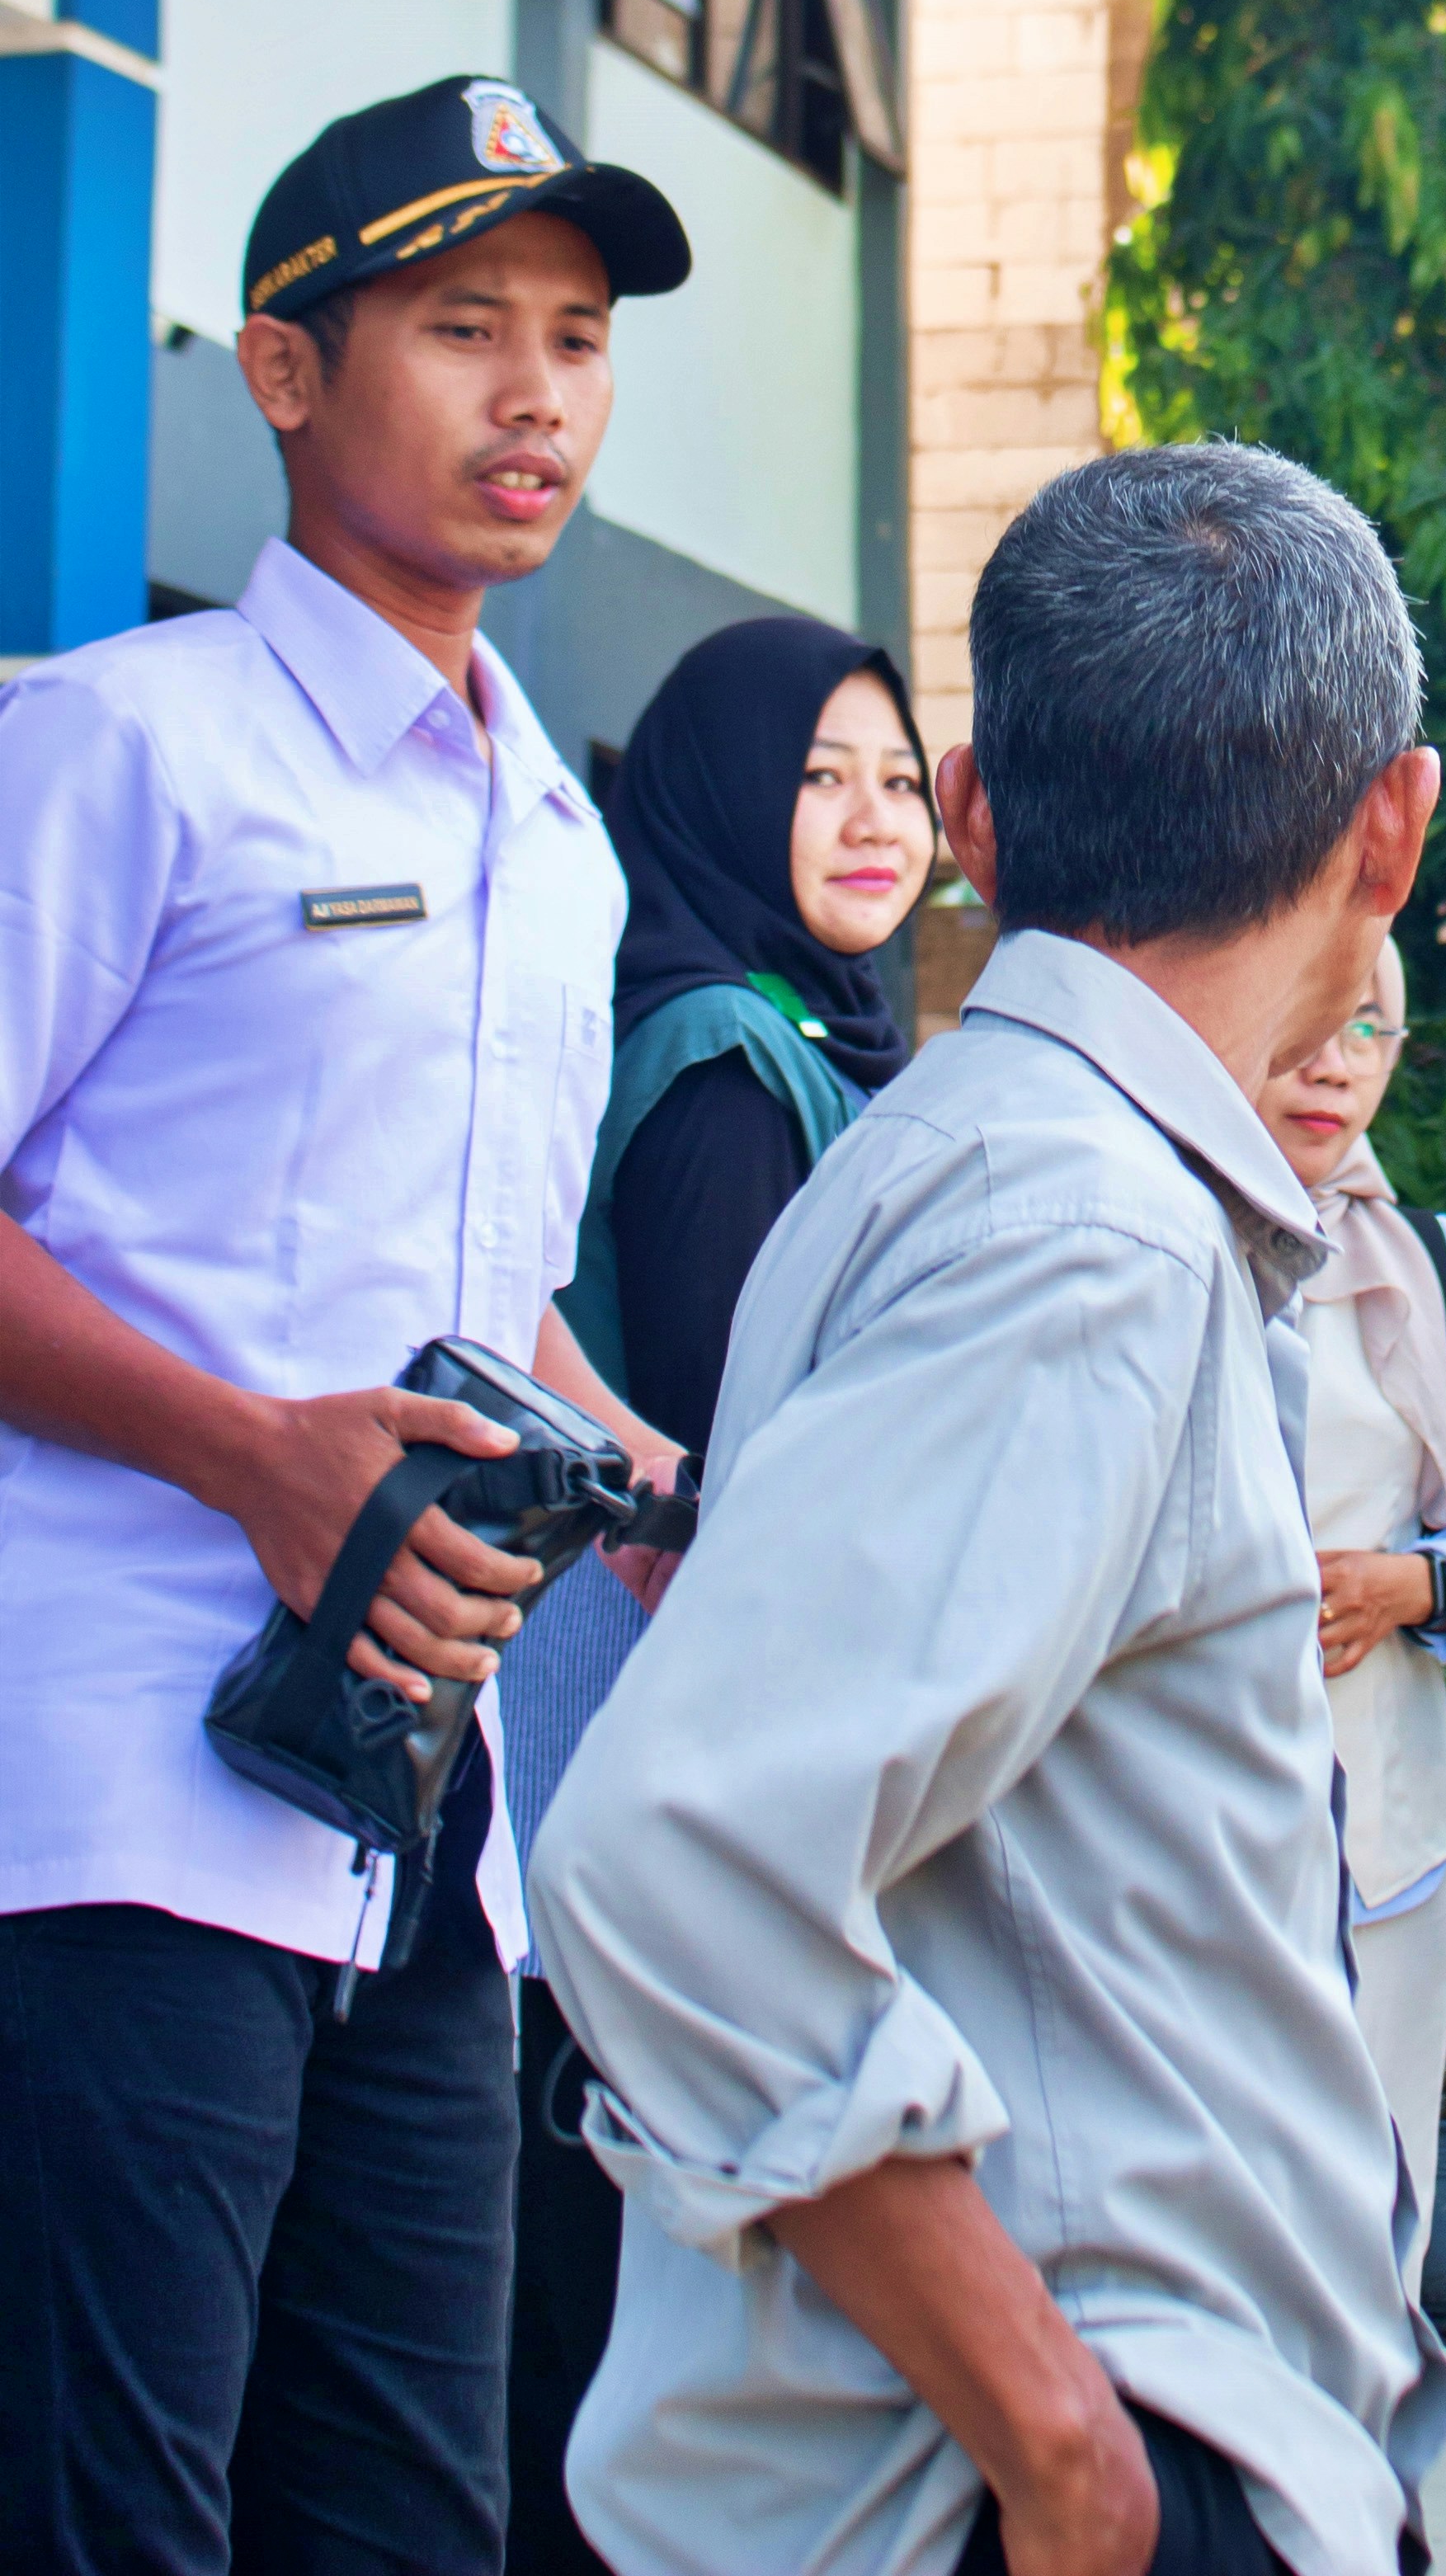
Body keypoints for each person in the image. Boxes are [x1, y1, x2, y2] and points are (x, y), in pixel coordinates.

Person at [530, 442, 1446, 2576]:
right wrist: (1065, 2458)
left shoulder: (974, 1159)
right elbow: (679, 1858)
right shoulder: (1078, 1235)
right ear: (1388, 829)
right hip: (1062, 2460)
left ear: (967, 817)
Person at [0, 71, 693, 2576]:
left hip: (419, 1825)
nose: (538, 399)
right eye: (463, 327)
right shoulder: (119, 750)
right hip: (114, 1812)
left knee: (412, 2517)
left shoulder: (557, 831)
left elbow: (473, 1286)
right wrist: (239, 1452)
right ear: (285, 376)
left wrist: (656, 1490)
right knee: (115, 2518)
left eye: (582, 339)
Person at [500, 612, 937, 2573]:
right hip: (650, 1752)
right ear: (721, 793)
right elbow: (721, 1479)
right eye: (821, 774)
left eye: (901, 779)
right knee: (614, 2298)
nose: (871, 818)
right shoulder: (721, 1059)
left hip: (682, 1769)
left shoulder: (821, 1036)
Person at [1259, 931, 1446, 2292]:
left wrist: (1412, 1585)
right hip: (1173, 1830)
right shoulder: (1144, 1228)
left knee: (1371, 2233)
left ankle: (1365, 2506)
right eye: (1309, 1020)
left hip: (1384, 1832)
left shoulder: (1436, 1265)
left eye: (1367, 1028)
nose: (1333, 1064)